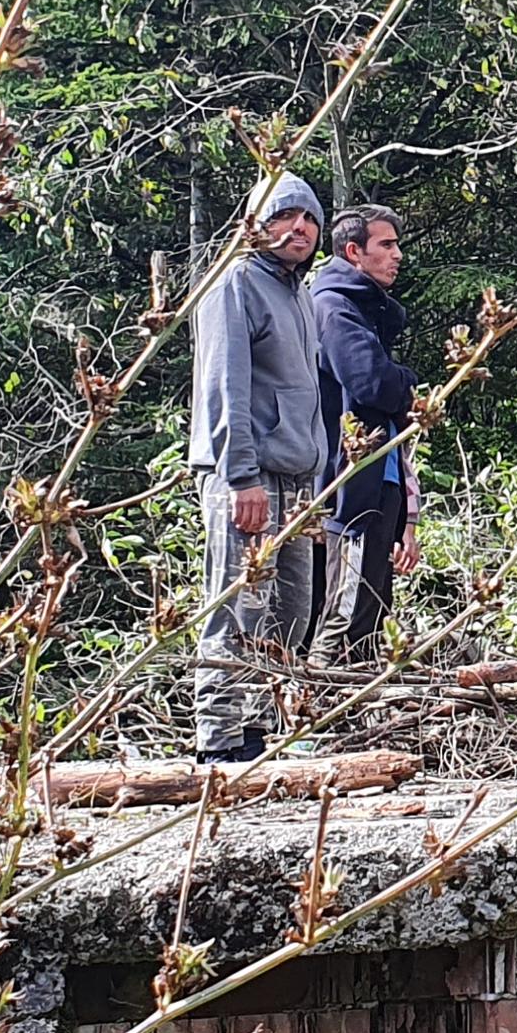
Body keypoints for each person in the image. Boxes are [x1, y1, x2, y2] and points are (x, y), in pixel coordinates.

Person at [183, 173, 330, 763]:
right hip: (246, 475)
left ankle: (258, 732)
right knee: (238, 601)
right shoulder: (235, 283)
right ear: (257, 225)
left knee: (291, 609)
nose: (298, 229)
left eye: (309, 219)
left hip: (298, 477)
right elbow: (226, 388)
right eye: (284, 217)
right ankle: (218, 740)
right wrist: (241, 477)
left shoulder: (299, 293)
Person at [307, 203, 419, 662]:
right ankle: (323, 706)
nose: (397, 256)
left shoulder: (364, 311)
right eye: (386, 245)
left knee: (372, 611)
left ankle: (356, 706)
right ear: (354, 251)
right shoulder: (334, 307)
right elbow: (372, 383)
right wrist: (408, 382)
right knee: (345, 608)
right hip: (351, 486)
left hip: (380, 479)